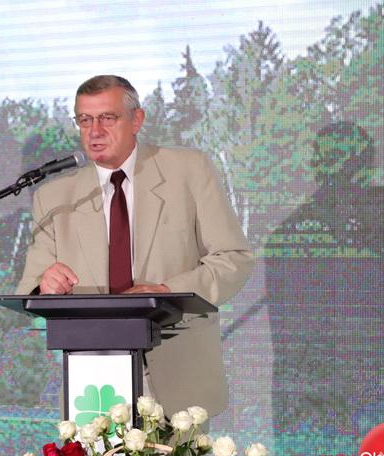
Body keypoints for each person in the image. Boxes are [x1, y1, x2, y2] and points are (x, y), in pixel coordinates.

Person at [16, 75, 253, 415]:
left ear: (137, 119)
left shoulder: (188, 170)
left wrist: (167, 291)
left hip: (179, 372)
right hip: (92, 381)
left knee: (179, 455)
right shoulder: (54, 196)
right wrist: (44, 286)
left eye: (107, 118)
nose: (94, 131)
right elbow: (31, 287)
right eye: (85, 120)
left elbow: (233, 259)